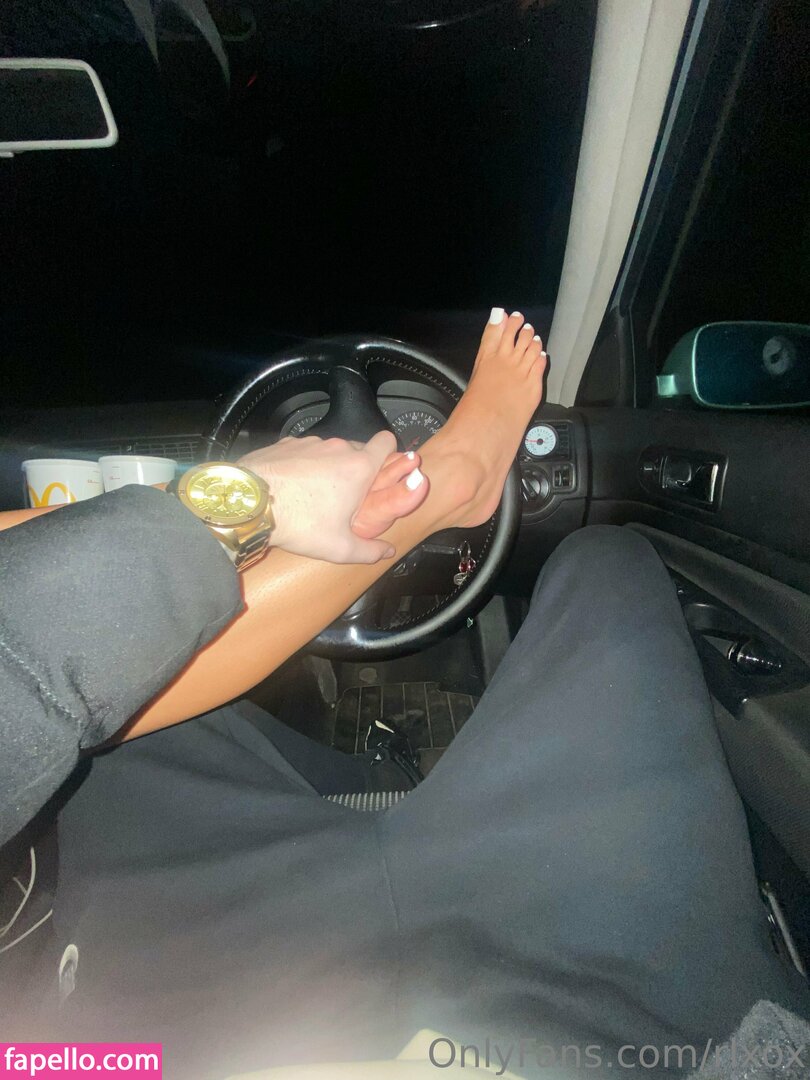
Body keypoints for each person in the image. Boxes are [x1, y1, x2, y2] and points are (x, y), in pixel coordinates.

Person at [1, 313, 807, 1079]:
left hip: (138, 1031)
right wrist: (243, 500)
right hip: (606, 1018)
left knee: (105, 703)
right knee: (607, 562)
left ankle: (426, 501)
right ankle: (443, 486)